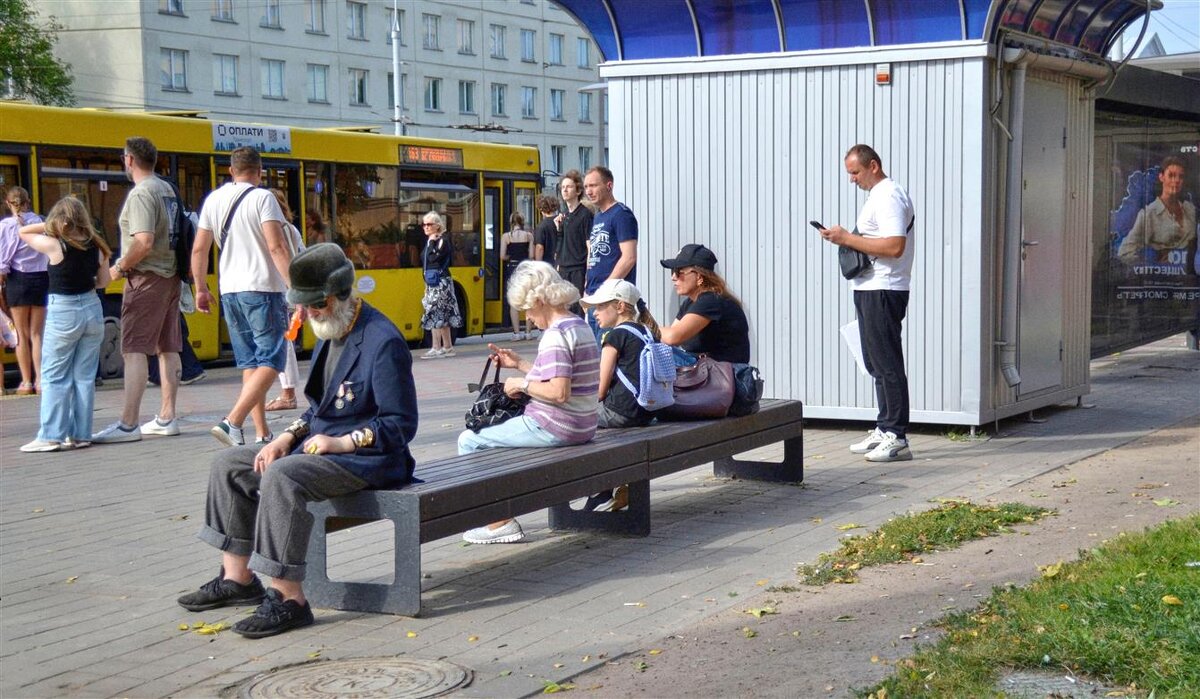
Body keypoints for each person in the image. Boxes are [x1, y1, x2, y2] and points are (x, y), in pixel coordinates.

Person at [176, 244, 418, 639]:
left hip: (370, 459)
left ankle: (289, 599)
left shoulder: (382, 340)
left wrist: (343, 443)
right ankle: (238, 579)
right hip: (319, 448)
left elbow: (400, 425)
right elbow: (317, 410)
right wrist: (286, 436)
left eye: (313, 306)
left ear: (339, 296)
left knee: (283, 476)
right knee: (232, 464)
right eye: (303, 307)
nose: (306, 315)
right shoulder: (331, 330)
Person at [458, 260, 600, 544]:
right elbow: (561, 378)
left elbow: (560, 392)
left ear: (539, 299)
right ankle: (501, 505)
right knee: (497, 431)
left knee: (469, 440)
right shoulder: (578, 326)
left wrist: (519, 384)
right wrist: (521, 364)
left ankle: (498, 521)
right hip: (584, 424)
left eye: (526, 308)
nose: (527, 316)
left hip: (557, 425)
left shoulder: (555, 336)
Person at [817, 144, 916, 463]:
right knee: (874, 360)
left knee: (886, 361)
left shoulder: (889, 195)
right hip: (869, 286)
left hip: (884, 288)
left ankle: (897, 436)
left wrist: (846, 238)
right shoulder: (878, 196)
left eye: (855, 172)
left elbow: (894, 245)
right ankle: (885, 426)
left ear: (873, 166)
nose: (851, 179)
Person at [192, 146, 292, 446]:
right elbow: (276, 247)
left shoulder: (214, 199)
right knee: (273, 359)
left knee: (251, 363)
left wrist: (200, 287)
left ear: (231, 171)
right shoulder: (264, 198)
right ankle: (232, 421)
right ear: (259, 172)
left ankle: (261, 433)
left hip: (229, 290)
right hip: (262, 287)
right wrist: (294, 287)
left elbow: (199, 249)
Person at [91, 137, 184, 444]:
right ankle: (167, 417)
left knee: (133, 349)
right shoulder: (168, 189)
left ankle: (128, 423)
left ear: (129, 159)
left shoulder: (142, 193)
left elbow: (142, 241)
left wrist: (118, 269)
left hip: (146, 278)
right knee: (168, 347)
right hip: (171, 275)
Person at [16, 198, 111, 452]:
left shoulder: (55, 244)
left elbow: (23, 231)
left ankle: (51, 436)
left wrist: (51, 226)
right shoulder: (98, 247)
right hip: (92, 310)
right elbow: (103, 282)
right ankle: (81, 434)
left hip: (64, 311)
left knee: (55, 375)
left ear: (59, 219)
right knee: (84, 377)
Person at [582, 278, 662, 429]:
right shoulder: (648, 332)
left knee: (564, 416)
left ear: (620, 306)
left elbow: (600, 391)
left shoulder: (614, 336)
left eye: (600, 306)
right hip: (647, 413)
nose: (595, 314)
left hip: (619, 413)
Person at [658, 244, 751, 365]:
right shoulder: (691, 302)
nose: (673, 277)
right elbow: (668, 339)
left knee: (650, 357)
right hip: (705, 371)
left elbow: (672, 337)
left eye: (679, 272)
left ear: (699, 276)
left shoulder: (712, 301)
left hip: (722, 376)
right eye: (672, 271)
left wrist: (643, 325)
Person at [0, 186, 47, 395]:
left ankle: (26, 382)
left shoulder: (6, 226)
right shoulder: (41, 222)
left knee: (20, 334)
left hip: (17, 281)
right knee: (37, 334)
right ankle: (41, 380)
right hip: (41, 279)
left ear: (9, 204)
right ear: (28, 201)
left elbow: (3, 262)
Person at [583, 166, 638, 342]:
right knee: (598, 356)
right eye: (586, 187)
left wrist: (606, 288)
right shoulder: (598, 217)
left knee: (608, 354)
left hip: (612, 300)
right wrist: (587, 288)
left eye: (593, 185)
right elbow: (594, 256)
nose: (589, 191)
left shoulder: (621, 214)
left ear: (609, 185)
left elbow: (629, 257)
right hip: (594, 298)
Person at [1117, 156, 1196, 267]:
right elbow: (1124, 253)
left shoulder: (1190, 209)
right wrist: (1153, 259)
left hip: (1188, 279)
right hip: (1162, 279)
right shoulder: (1149, 214)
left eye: (1180, 176)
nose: (1177, 180)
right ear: (1161, 177)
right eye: (1171, 175)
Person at [266, 189, 305, 412]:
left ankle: (288, 394)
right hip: (287, 289)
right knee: (283, 339)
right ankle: (285, 392)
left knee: (283, 340)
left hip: (279, 289)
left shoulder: (275, 230)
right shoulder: (291, 229)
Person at [418, 211, 461, 359]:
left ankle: (437, 347)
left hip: (440, 282)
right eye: (424, 224)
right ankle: (447, 347)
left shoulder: (441, 241)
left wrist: (430, 243)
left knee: (435, 313)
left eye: (429, 224)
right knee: (441, 314)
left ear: (437, 226)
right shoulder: (433, 240)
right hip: (434, 282)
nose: (426, 227)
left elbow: (432, 258)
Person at [553, 170, 591, 304]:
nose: (565, 190)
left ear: (578, 190)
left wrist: (588, 274)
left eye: (569, 187)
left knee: (576, 308)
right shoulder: (564, 216)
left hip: (578, 270)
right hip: (563, 269)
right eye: (563, 187)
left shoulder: (585, 215)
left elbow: (589, 246)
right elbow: (562, 244)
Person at [500, 211, 535, 340]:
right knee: (528, 300)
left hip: (512, 268)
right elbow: (531, 256)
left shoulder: (506, 237)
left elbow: (502, 256)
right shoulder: (529, 236)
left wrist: (510, 257)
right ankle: (528, 332)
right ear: (522, 222)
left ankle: (516, 333)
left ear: (511, 222)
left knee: (514, 302)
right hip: (525, 268)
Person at [533, 194, 558, 267]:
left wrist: (538, 266)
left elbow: (539, 247)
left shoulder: (541, 226)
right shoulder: (562, 222)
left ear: (541, 209)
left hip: (547, 264)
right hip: (562, 263)